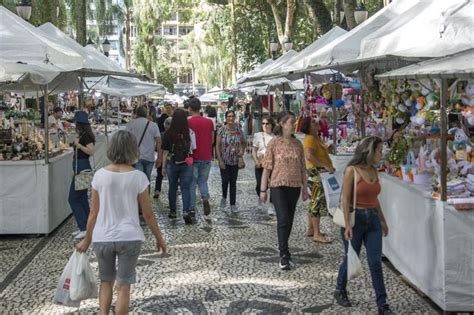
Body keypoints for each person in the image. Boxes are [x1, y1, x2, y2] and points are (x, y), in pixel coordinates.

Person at [76, 130, 167, 315]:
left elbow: (93, 213)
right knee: (124, 286)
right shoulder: (139, 177)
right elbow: (148, 214)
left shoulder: (100, 175)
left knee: (106, 282)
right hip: (129, 237)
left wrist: (87, 239)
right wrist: (160, 238)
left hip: (103, 237)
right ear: (132, 150)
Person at [334, 136, 391, 314]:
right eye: (380, 151)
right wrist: (348, 226)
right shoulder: (352, 170)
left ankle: (382, 304)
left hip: (372, 219)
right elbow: (346, 199)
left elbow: (375, 199)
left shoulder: (374, 171)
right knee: (352, 257)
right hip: (355, 219)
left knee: (375, 262)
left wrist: (382, 220)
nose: (382, 154)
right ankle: (340, 289)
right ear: (370, 151)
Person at [260, 111, 309, 270]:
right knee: (283, 219)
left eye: (294, 122)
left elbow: (303, 167)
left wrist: (305, 188)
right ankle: (284, 255)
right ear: (282, 124)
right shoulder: (274, 143)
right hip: (277, 186)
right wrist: (263, 190)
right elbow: (267, 168)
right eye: (291, 122)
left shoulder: (298, 144)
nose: (294, 125)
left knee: (289, 221)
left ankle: (284, 248)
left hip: (294, 187)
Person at [300, 116, 335, 243]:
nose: (317, 122)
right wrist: (324, 165)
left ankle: (311, 229)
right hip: (316, 174)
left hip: (319, 174)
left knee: (314, 202)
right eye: (313, 122)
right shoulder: (310, 139)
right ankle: (316, 233)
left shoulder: (316, 138)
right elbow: (309, 155)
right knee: (316, 203)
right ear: (309, 127)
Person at [161, 109, 196, 224]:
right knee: (185, 188)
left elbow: (165, 152)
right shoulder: (190, 132)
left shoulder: (168, 133)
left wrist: (163, 167)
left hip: (172, 163)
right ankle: (186, 211)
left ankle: (173, 211)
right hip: (187, 163)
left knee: (172, 187)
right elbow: (193, 148)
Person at [68, 111, 95, 240]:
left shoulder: (86, 137)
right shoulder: (83, 135)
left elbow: (91, 151)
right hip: (79, 166)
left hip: (83, 167)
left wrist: (78, 145)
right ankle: (88, 226)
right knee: (82, 197)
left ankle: (84, 227)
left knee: (73, 198)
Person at [187, 97, 214, 217]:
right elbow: (212, 139)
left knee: (192, 183)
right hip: (207, 155)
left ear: (190, 109)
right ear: (200, 108)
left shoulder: (188, 122)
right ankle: (205, 198)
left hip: (194, 156)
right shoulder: (209, 122)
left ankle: (192, 208)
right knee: (203, 181)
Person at [216, 110, 246, 212]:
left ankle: (233, 204)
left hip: (235, 161)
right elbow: (217, 146)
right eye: (229, 116)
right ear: (226, 118)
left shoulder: (238, 129)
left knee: (233, 182)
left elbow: (244, 142)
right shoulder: (221, 130)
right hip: (224, 160)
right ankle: (224, 197)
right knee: (225, 181)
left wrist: (241, 153)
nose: (231, 118)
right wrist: (219, 160)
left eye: (232, 116)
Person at [126, 106, 161, 182]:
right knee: (147, 179)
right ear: (147, 114)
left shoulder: (130, 124)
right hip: (149, 157)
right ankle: (146, 193)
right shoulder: (153, 125)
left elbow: (126, 140)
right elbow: (158, 142)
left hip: (135, 156)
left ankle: (139, 193)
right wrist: (159, 157)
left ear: (136, 113)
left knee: (138, 180)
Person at [252, 115, 275, 215]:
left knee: (273, 186)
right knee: (259, 185)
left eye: (267, 123)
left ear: (271, 125)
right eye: (263, 123)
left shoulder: (275, 138)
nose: (265, 125)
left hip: (271, 165)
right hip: (260, 164)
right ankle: (260, 199)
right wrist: (256, 160)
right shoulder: (257, 135)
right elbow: (254, 149)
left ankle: (271, 205)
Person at [154, 117, 172, 199]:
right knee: (172, 177)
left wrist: (159, 158)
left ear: (165, 126)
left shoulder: (161, 135)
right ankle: (173, 191)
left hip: (161, 157)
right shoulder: (174, 136)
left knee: (159, 175)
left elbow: (156, 148)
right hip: (171, 159)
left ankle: (157, 190)